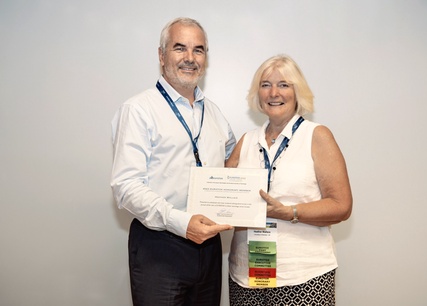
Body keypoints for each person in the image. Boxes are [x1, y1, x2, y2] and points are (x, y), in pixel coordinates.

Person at [111, 17, 236, 306]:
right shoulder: (139, 110)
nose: (190, 58)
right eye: (180, 48)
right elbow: (126, 186)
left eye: (199, 50)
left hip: (209, 247)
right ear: (161, 55)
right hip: (160, 246)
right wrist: (180, 222)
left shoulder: (214, 113)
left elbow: (232, 160)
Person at [226, 55, 352, 306]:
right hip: (246, 276)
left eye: (284, 84)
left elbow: (342, 206)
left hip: (303, 276)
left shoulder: (317, 136)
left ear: (298, 92)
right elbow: (225, 200)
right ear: (257, 93)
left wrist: (289, 212)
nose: (274, 92)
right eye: (265, 85)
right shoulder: (246, 141)